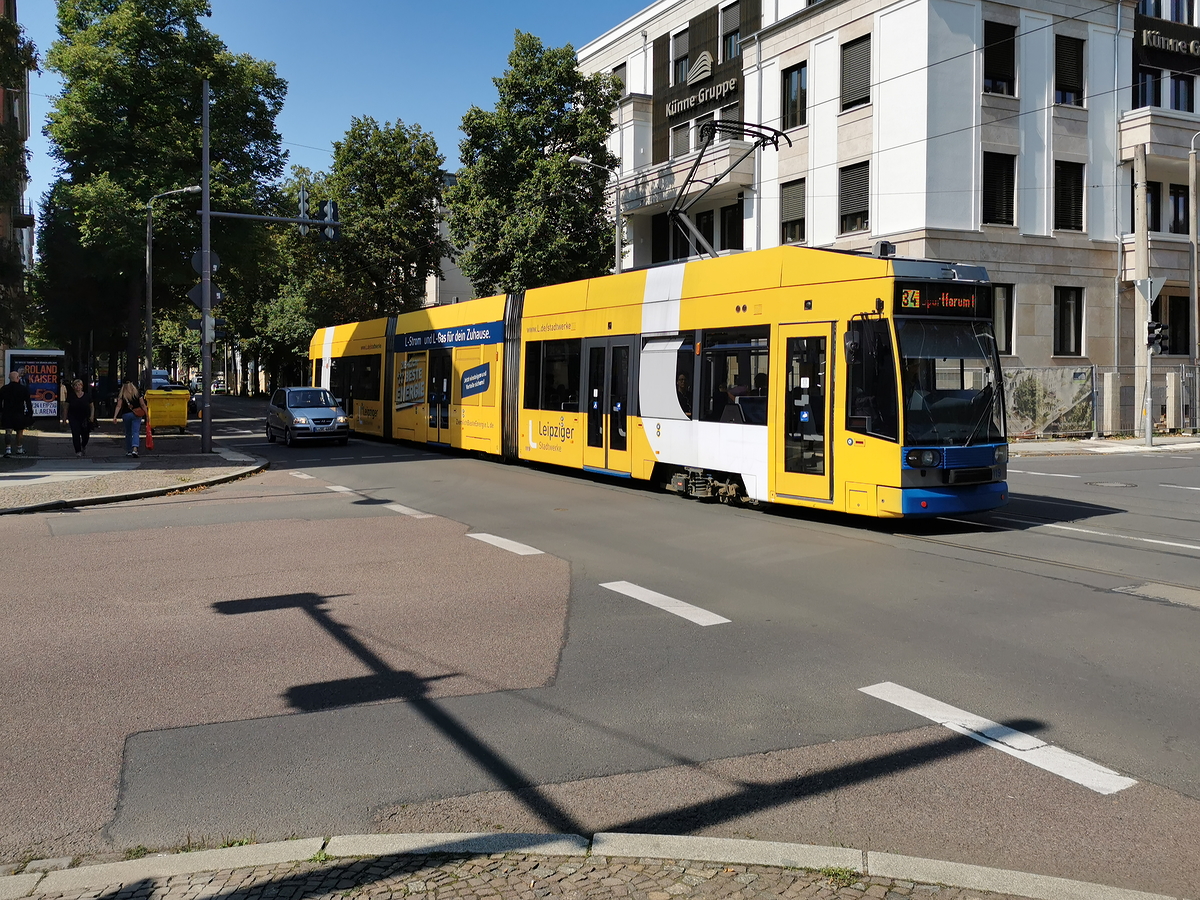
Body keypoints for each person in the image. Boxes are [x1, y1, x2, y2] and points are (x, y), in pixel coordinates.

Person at [1, 370, 34, 457]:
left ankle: (8, 449)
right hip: (19, 413)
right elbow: (28, 402)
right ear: (17, 378)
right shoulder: (23, 389)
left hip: (7, 412)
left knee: (8, 431)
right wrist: (30, 413)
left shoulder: (4, 389)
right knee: (19, 431)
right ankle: (19, 448)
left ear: (9, 378)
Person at [112, 378, 145, 458]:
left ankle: (129, 450)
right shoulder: (137, 393)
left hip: (126, 415)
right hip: (137, 415)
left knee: (128, 433)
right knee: (136, 432)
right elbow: (143, 404)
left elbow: (118, 406)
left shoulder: (122, 394)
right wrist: (147, 414)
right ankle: (135, 448)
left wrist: (115, 416)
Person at [66, 378, 96, 457]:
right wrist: (64, 418)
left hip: (85, 417)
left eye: (79, 385)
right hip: (73, 417)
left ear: (82, 386)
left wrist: (92, 416)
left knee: (85, 434)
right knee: (75, 433)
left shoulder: (87, 396)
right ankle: (78, 451)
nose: (77, 387)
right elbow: (66, 407)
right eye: (76, 385)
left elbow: (92, 406)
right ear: (73, 387)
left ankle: (83, 445)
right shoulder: (71, 397)